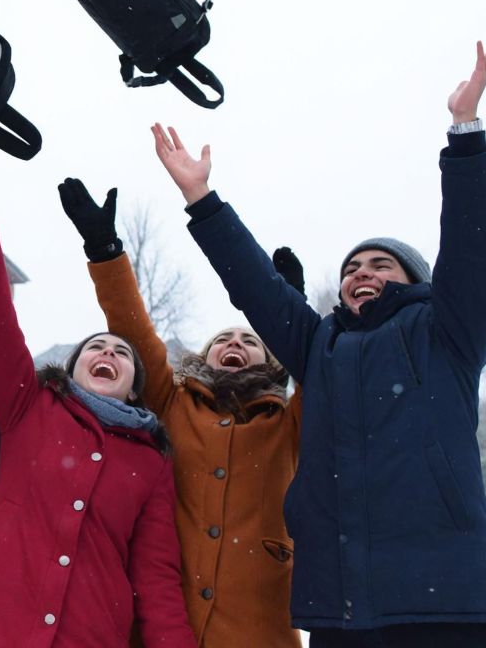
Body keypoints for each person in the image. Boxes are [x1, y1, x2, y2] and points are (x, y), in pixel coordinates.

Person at [153, 27, 486, 647]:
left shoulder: (445, 331)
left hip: (440, 598)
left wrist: (466, 134)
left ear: (413, 281)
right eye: (349, 269)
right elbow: (257, 287)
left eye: (378, 265)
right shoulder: (322, 347)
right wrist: (201, 199)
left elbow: (476, 251)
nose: (360, 274)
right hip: (338, 606)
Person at [0, 155, 195, 648]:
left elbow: (156, 578)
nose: (107, 352)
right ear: (71, 369)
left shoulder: (151, 460)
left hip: (89, 635)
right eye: (95, 347)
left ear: (134, 386)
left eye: (120, 353)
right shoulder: (29, 407)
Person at [58, 179, 304, 647]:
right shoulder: (173, 401)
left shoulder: (288, 422)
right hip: (168, 624)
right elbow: (133, 328)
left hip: (258, 627)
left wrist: (288, 315)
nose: (235, 343)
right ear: (204, 357)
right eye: (223, 341)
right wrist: (105, 250)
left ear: (273, 360)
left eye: (250, 340)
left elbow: (322, 373)